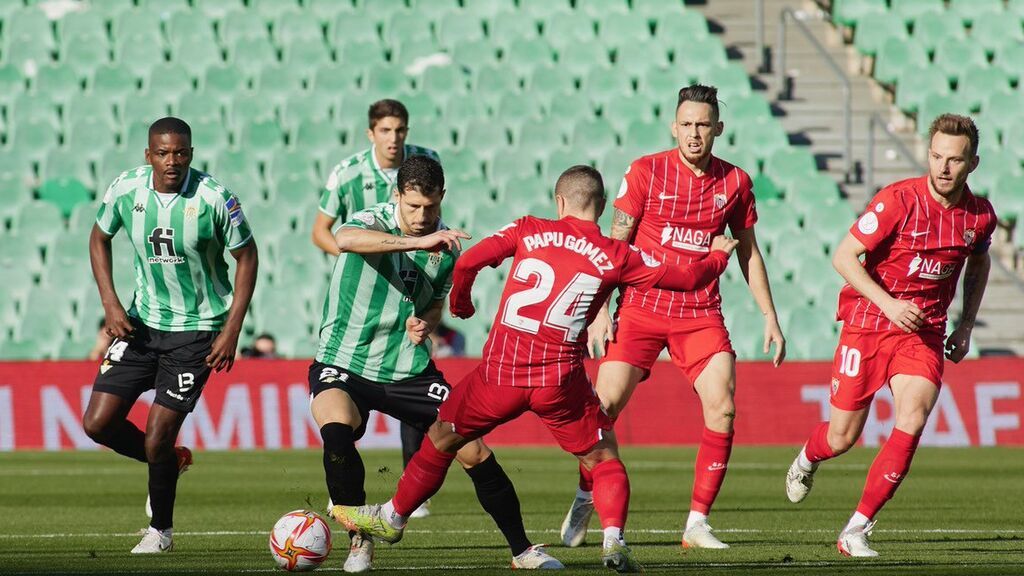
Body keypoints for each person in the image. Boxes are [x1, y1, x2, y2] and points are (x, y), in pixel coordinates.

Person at [332, 165, 739, 573]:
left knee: (441, 438)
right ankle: (614, 542)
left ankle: (393, 516)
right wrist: (719, 255)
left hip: (501, 372)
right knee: (604, 459)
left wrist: (462, 303)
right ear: (599, 207)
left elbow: (469, 259)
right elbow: (688, 279)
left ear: (559, 201)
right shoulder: (619, 254)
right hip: (558, 381)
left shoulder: (527, 228)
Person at [562, 84, 787, 550]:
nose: (694, 134)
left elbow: (749, 252)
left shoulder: (735, 183)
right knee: (601, 411)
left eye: (703, 125)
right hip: (642, 309)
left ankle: (697, 523)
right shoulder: (646, 172)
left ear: (718, 129)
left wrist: (769, 314)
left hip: (699, 313)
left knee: (723, 406)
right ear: (674, 126)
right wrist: (601, 310)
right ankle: (589, 492)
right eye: (686, 124)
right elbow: (615, 246)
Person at [311, 155, 558, 572]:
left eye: (430, 207)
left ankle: (522, 549)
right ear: (397, 197)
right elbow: (345, 238)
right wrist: (414, 242)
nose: (422, 216)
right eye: (412, 207)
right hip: (344, 360)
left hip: (408, 368)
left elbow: (434, 304)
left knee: (474, 449)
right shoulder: (372, 220)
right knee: (336, 432)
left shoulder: (445, 251)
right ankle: (360, 538)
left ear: (442, 196)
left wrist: (424, 323)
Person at [784, 114, 996, 557]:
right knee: (842, 437)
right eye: (936, 156)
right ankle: (808, 458)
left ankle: (856, 529)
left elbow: (979, 261)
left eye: (954, 160)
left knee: (914, 417)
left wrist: (967, 322)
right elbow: (844, 257)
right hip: (868, 322)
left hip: (923, 332)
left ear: (971, 164)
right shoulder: (898, 200)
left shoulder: (978, 217)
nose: (943, 167)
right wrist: (889, 304)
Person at [80, 117, 258, 554]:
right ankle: (172, 463)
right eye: (162, 153)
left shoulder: (216, 198)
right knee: (97, 423)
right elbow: (98, 238)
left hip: (196, 334)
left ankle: (161, 532)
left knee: (158, 434)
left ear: (191, 154)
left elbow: (247, 256)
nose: (171, 161)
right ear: (149, 155)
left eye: (180, 152)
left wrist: (231, 329)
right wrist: (111, 303)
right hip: (141, 324)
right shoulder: (126, 189)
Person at [311, 98, 439, 517]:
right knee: (351, 400)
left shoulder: (427, 161)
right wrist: (356, 263)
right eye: (385, 130)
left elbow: (430, 223)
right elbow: (323, 231)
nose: (394, 138)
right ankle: (348, 481)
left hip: (410, 274)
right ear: (371, 133)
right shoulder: (348, 173)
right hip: (362, 274)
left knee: (408, 367)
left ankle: (408, 481)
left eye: (400, 129)